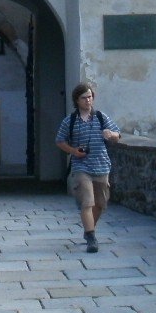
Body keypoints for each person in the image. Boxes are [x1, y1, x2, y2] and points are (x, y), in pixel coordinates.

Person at [55, 82, 121, 253]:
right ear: (76, 100)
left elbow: (117, 135)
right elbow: (60, 141)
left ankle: (88, 230)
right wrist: (73, 151)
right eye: (84, 98)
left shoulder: (100, 117)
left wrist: (111, 134)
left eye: (90, 97)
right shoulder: (70, 121)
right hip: (81, 166)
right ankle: (92, 238)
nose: (88, 100)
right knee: (87, 202)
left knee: (100, 204)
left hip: (101, 165)